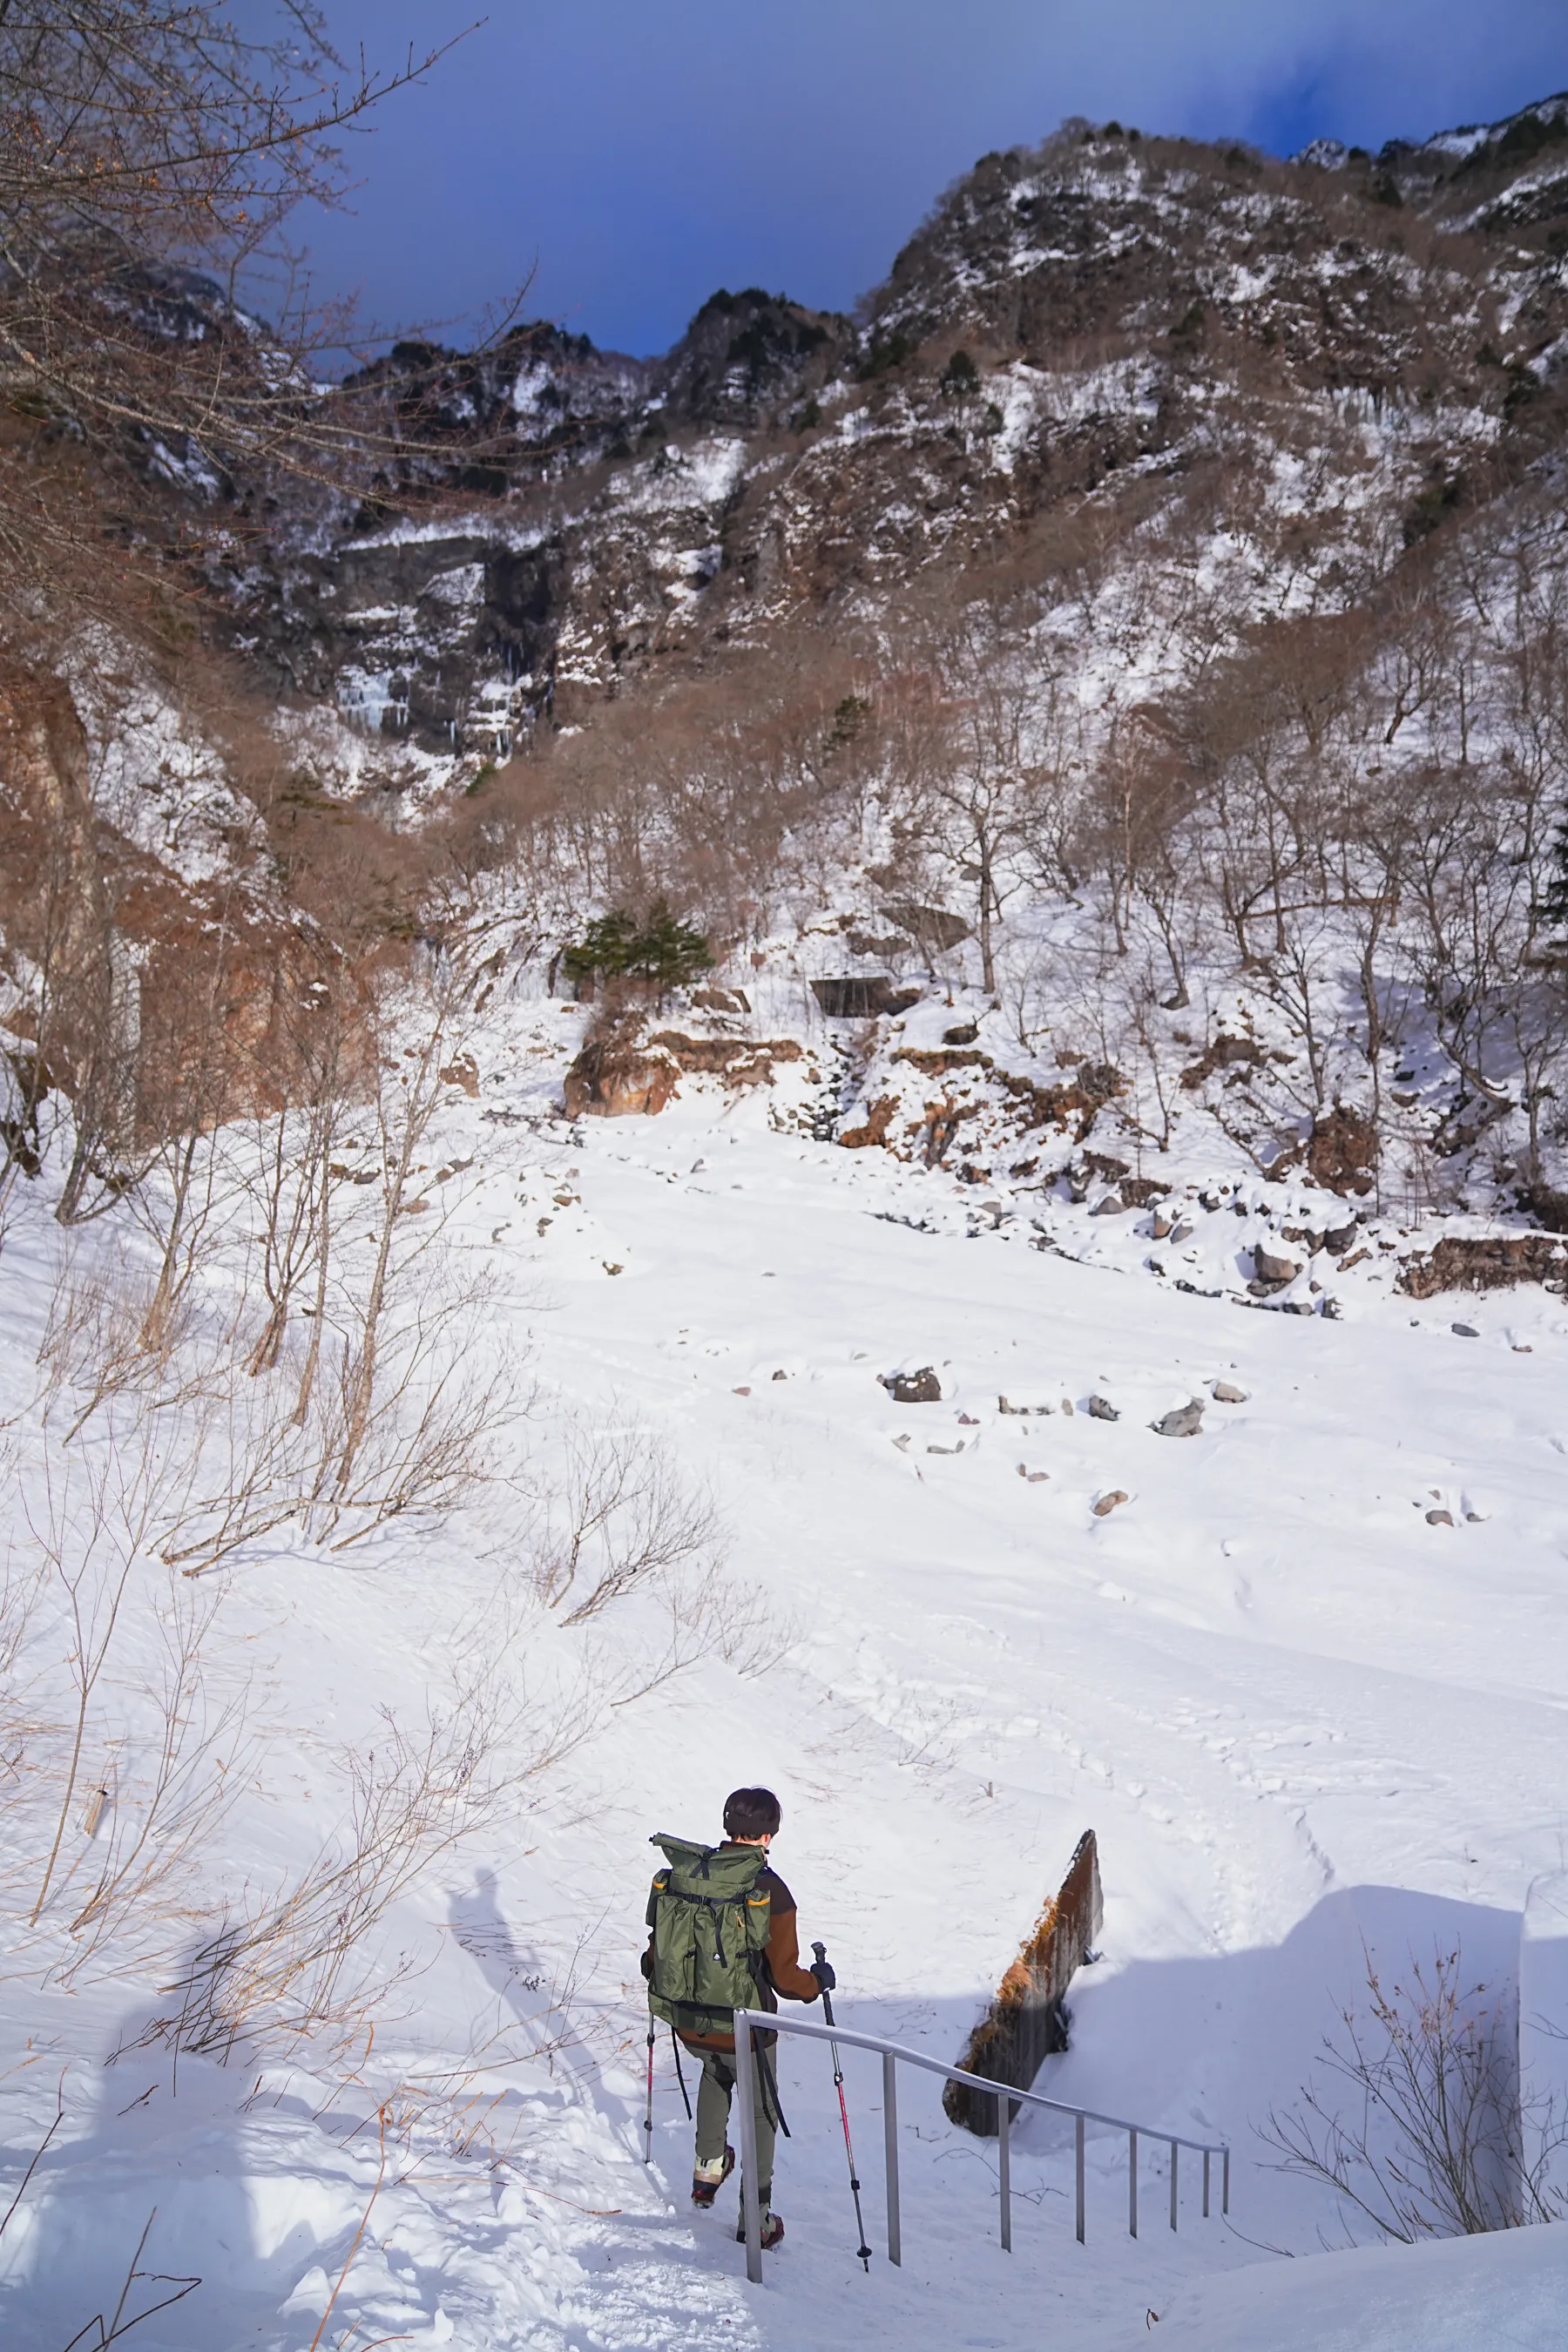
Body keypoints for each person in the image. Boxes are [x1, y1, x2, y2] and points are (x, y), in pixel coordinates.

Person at [643, 1785, 832, 2250]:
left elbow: (654, 1958)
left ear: (729, 1828)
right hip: (746, 2031)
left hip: (687, 2020)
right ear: (769, 1835)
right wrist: (818, 1982)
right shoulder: (768, 1890)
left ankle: (708, 2167)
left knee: (714, 2070)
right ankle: (757, 2217)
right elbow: (787, 1979)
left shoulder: (687, 1876)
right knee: (762, 2110)